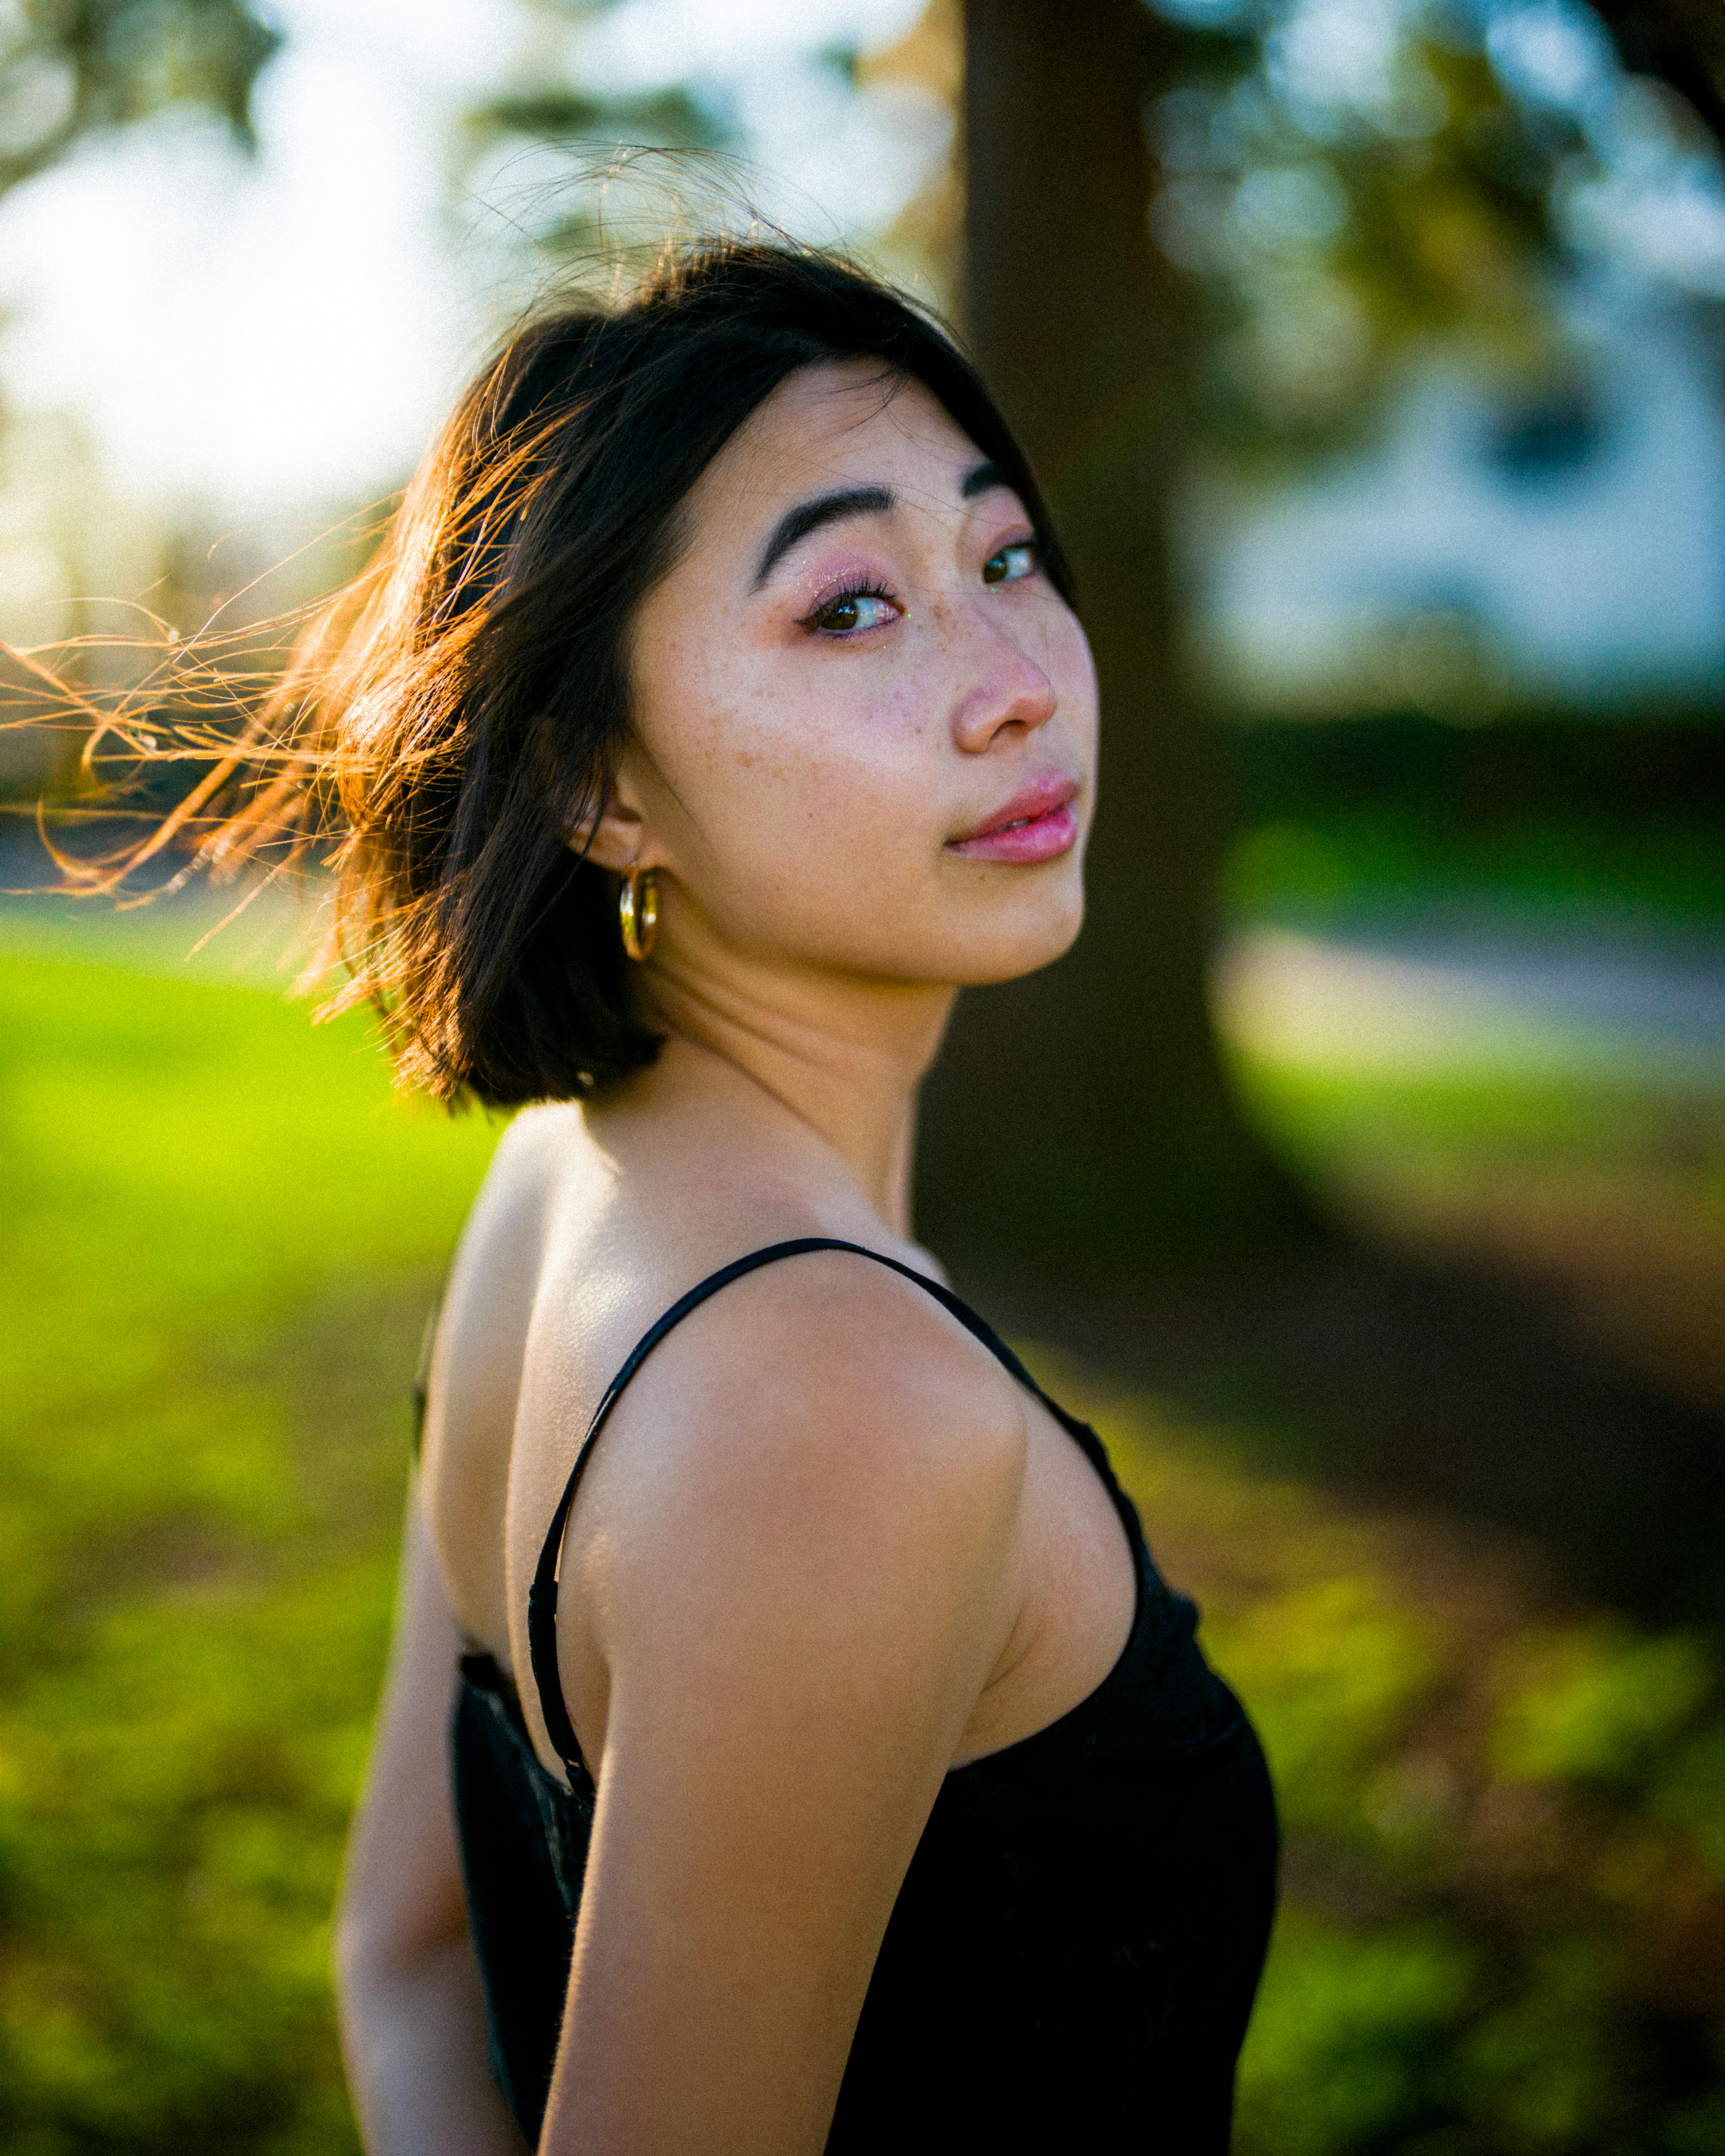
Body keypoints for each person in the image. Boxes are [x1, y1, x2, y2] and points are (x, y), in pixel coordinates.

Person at [317, 239, 1277, 2155]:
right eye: (851, 608)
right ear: (600, 782)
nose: (1015, 687)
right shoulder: (844, 1408)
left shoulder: (556, 1183)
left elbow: (409, 1971)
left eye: (1006, 559)